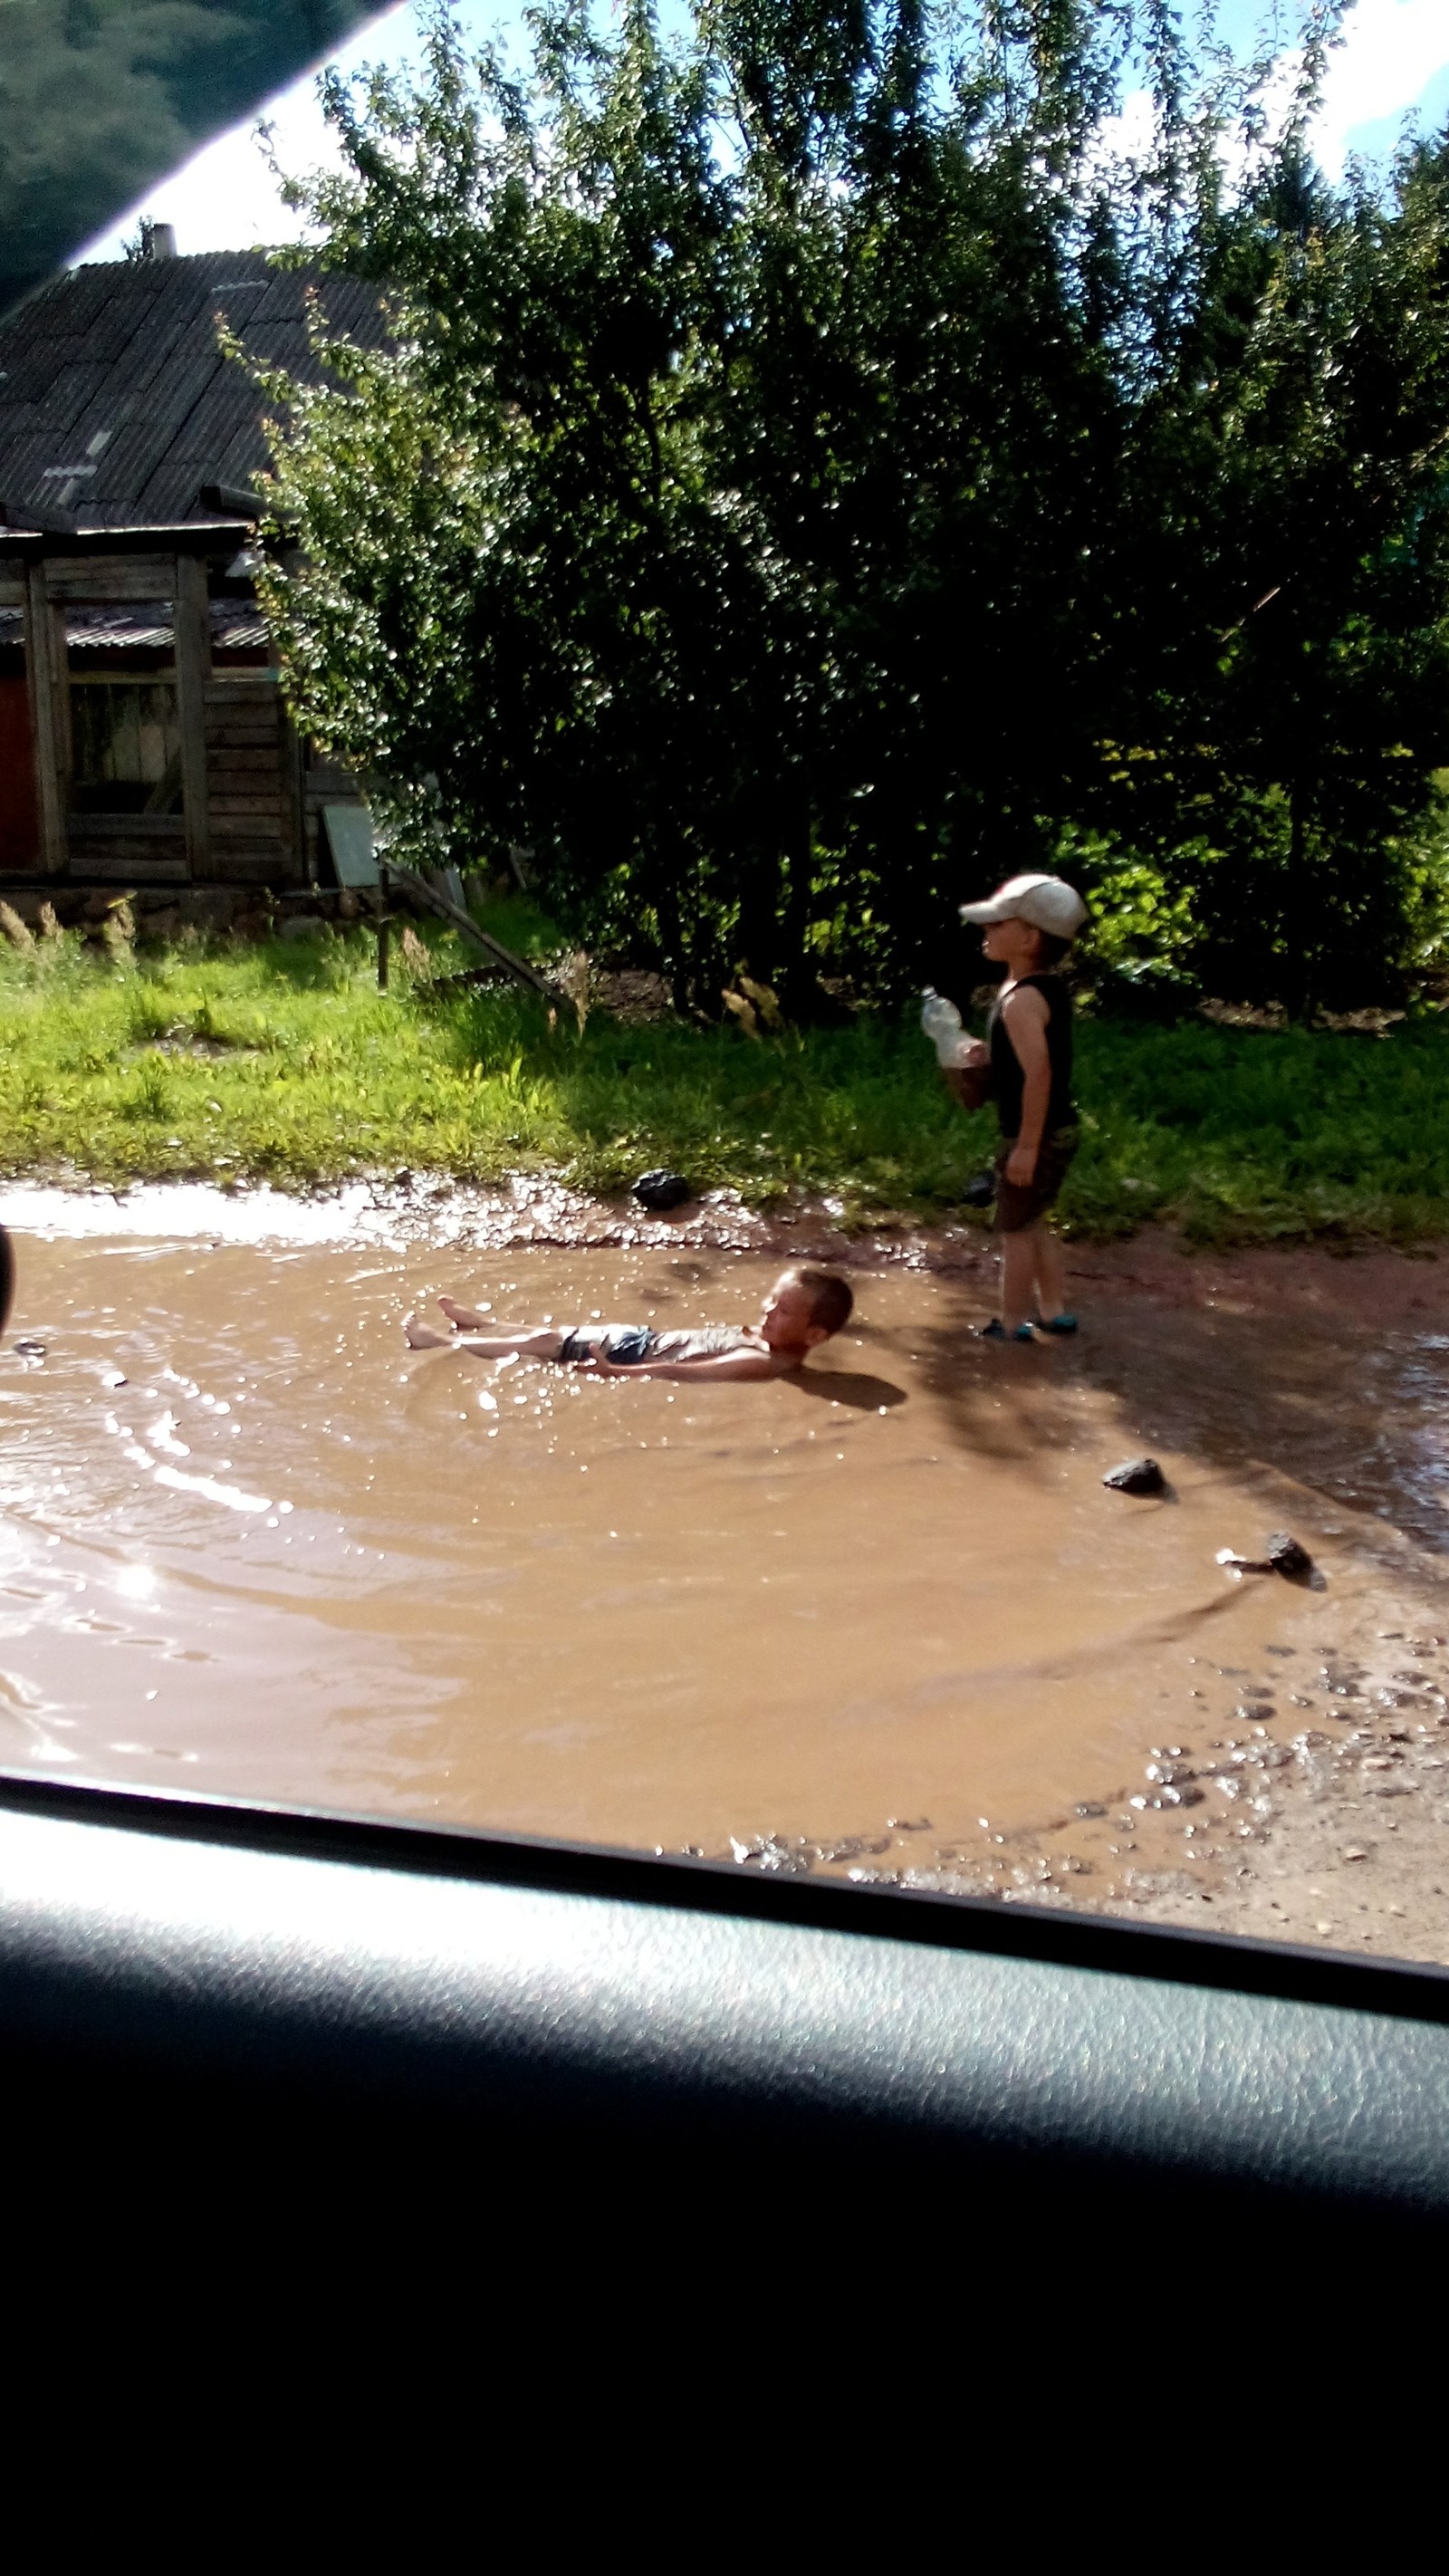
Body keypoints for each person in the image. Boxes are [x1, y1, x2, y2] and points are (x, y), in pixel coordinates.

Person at [953, 871, 1087, 1341]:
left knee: (1013, 1231)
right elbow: (1030, 1058)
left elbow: (1040, 1074)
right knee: (1033, 1221)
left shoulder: (1021, 1001)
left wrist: (1026, 1147)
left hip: (1037, 1134)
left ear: (1029, 938)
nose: (986, 932)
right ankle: (1053, 1311)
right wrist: (990, 1056)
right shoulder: (1040, 990)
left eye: (996, 925)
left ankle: (1011, 1323)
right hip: (1057, 1129)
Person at [403, 1264, 854, 1381]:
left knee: (543, 1341)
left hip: (629, 1354)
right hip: (641, 1339)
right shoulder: (768, 1343)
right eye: (772, 1301)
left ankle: (439, 1343)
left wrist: (613, 1371)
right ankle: (484, 1324)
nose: (767, 1311)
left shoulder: (764, 1363)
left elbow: (680, 1371)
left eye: (783, 1312)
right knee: (553, 1333)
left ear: (815, 1335)